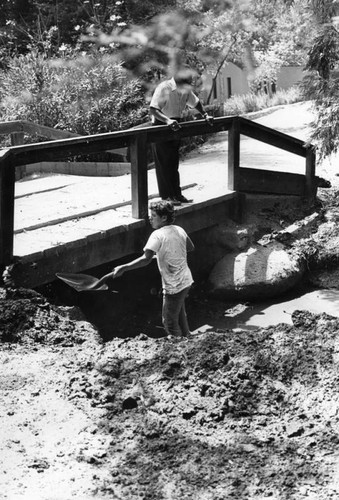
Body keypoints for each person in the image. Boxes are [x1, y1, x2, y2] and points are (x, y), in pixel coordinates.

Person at [111, 200, 194, 337]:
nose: (150, 218)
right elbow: (190, 248)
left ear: (164, 218)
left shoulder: (157, 235)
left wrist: (124, 267)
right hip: (186, 280)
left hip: (173, 285)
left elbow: (145, 259)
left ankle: (179, 347)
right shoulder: (180, 229)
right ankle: (188, 336)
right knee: (179, 312)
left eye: (153, 215)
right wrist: (166, 254)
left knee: (169, 322)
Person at [150, 70, 213, 205]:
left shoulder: (185, 90)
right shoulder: (164, 88)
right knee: (164, 163)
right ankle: (167, 197)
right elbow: (153, 109)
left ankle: (177, 195)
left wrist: (205, 115)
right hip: (162, 124)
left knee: (173, 162)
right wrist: (167, 121)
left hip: (176, 125)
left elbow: (195, 103)